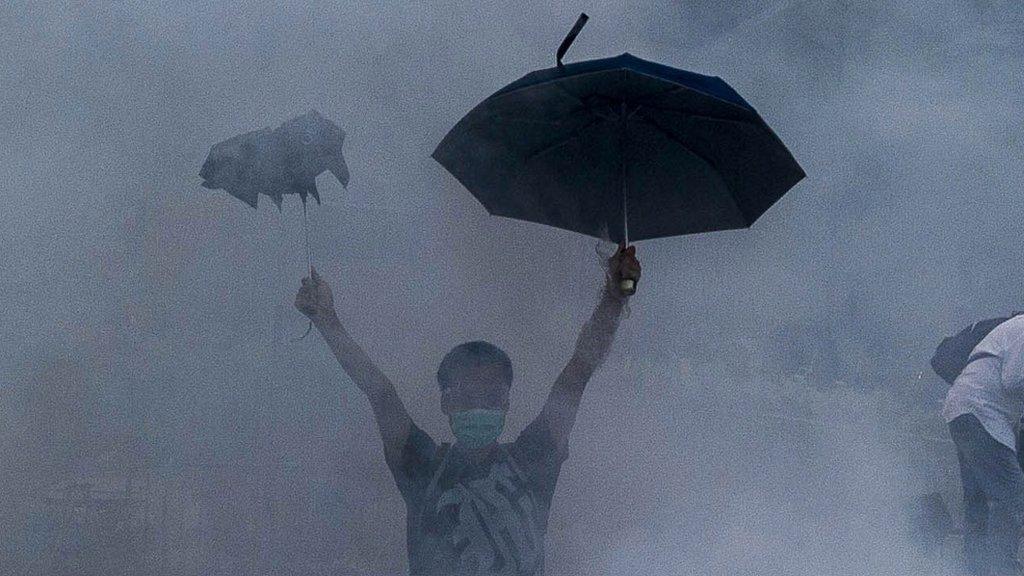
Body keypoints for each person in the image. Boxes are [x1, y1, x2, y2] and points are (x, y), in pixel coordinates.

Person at [295, 244, 641, 576]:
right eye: (467, 395)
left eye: (490, 396)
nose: (479, 405)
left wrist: (614, 298)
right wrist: (328, 322)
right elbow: (380, 393)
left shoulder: (532, 461)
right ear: (446, 402)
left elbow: (577, 374)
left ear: (506, 403)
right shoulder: (423, 467)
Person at [943, 315, 1024, 576]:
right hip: (981, 413)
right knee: (1012, 497)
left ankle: (974, 569)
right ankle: (1005, 569)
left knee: (977, 502)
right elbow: (1014, 379)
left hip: (961, 409)